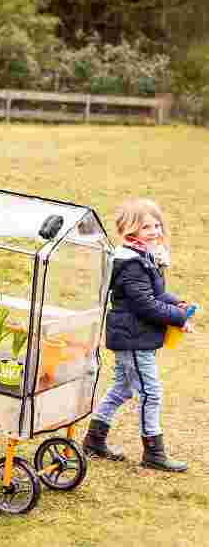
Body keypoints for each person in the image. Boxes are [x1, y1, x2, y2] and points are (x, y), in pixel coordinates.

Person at [83, 199, 192, 472]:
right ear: (130, 230)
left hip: (134, 335)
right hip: (132, 337)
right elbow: (146, 304)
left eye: (157, 225)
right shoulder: (131, 263)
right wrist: (177, 317)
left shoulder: (142, 256)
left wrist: (177, 305)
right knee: (150, 392)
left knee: (123, 387)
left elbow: (155, 295)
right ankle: (153, 452)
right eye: (147, 227)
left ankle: (94, 439)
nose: (154, 231)